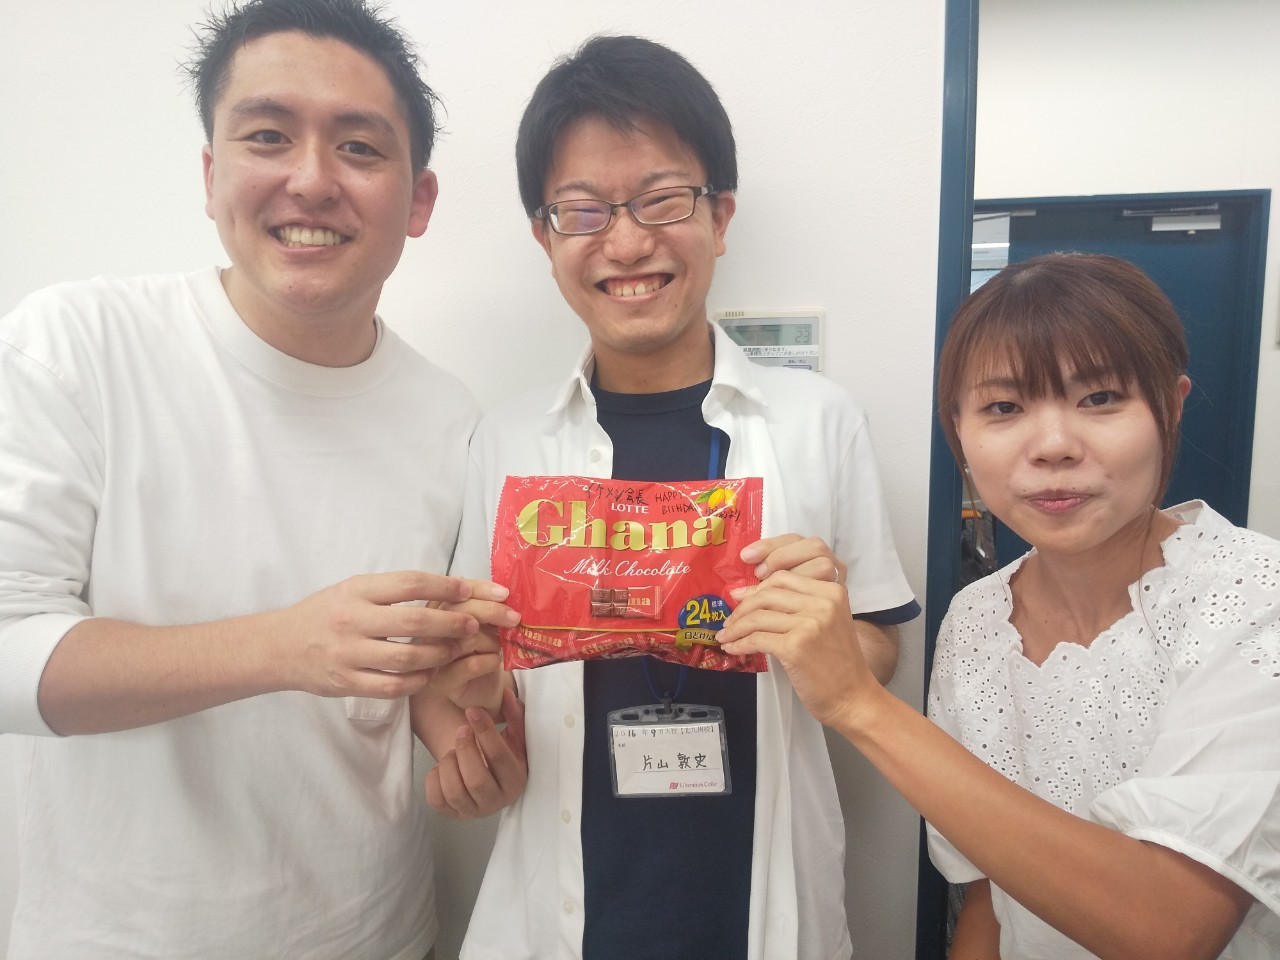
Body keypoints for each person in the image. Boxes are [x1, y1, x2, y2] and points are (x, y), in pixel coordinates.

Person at [0, 1, 524, 957]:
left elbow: (411, 674)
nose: (311, 180)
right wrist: (284, 645)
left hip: (377, 930)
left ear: (418, 201)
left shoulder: (451, 418)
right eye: (269, 136)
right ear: (212, 175)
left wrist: (460, 730)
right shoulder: (75, 344)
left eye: (359, 147)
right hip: (114, 938)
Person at [423, 34, 919, 960]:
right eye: (583, 210)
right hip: (560, 916)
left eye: (662, 200)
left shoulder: (818, 421)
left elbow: (879, 644)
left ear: (720, 216)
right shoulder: (505, 441)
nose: (626, 242)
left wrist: (829, 646)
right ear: (545, 236)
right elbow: (482, 668)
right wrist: (471, 722)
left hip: (764, 907)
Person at [719, 252, 1280, 959]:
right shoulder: (978, 617)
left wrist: (858, 702)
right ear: (958, 431)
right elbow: (992, 894)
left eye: (1100, 398)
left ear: (1171, 406)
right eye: (1004, 408)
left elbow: (1170, 929)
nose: (1053, 447)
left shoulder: (1254, 597)